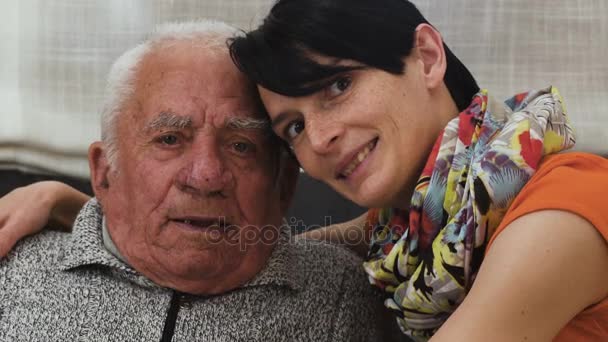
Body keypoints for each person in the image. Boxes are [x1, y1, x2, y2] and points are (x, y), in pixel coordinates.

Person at [1, 1, 608, 341]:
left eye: (338, 86)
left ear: (426, 56)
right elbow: (237, 241)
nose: (319, 138)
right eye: (291, 126)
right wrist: (79, 208)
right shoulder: (411, 232)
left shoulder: (560, 212)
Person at [0, 20, 398, 342]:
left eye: (241, 146)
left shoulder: (345, 296)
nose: (206, 177)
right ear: (104, 172)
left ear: (284, 185)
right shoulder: (12, 271)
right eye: (170, 140)